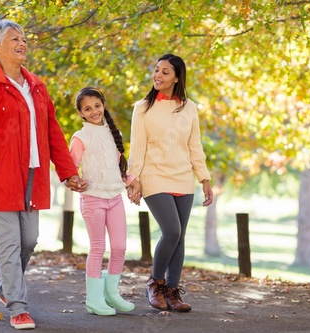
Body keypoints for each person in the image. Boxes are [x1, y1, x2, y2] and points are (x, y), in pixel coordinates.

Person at [0, 19, 86, 330]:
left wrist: (68, 171)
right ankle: (18, 307)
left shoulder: (37, 86)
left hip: (33, 175)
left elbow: (52, 133)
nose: (22, 43)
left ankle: (5, 289)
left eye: (24, 38)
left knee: (29, 240)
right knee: (10, 244)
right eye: (14, 38)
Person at [128, 54, 213, 313]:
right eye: (156, 70)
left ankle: (173, 292)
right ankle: (156, 283)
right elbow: (138, 147)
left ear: (177, 77)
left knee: (180, 237)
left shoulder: (190, 108)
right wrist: (134, 179)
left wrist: (204, 178)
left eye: (165, 72)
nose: (158, 75)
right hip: (154, 176)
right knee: (172, 231)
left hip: (183, 177)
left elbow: (194, 145)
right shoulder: (142, 108)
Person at [70, 87, 141, 316]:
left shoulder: (115, 133)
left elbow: (117, 167)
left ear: (103, 105)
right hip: (93, 199)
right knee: (98, 248)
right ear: (81, 113)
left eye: (97, 106)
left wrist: (132, 182)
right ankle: (94, 299)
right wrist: (74, 180)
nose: (94, 111)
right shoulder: (80, 137)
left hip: (115, 198)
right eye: (87, 109)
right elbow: (70, 168)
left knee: (119, 247)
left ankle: (111, 294)